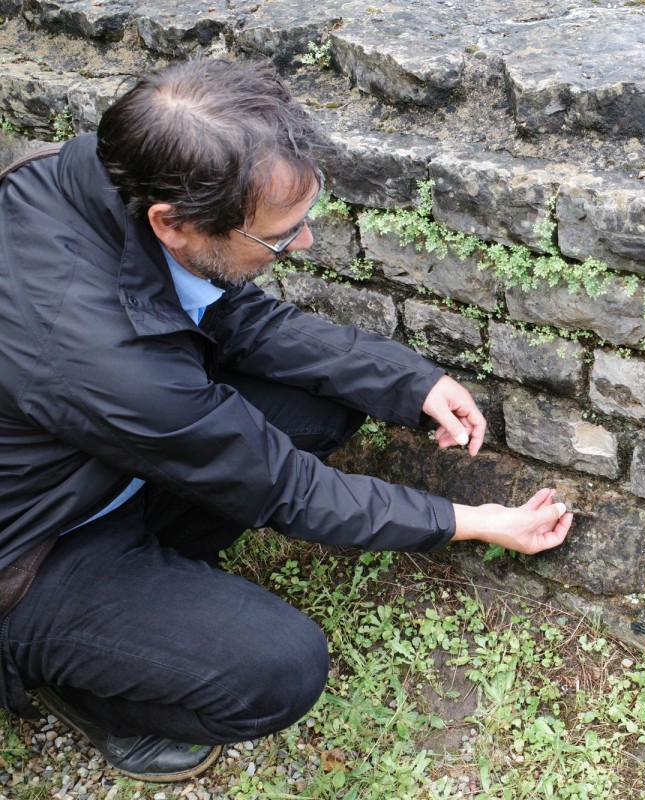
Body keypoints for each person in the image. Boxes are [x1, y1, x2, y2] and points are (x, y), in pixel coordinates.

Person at [0, 58, 572, 782]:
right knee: (279, 668)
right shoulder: (107, 361)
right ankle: (81, 684)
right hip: (33, 549)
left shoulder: (95, 177)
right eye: (279, 237)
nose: (301, 244)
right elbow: (285, 488)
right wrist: (475, 521)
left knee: (323, 398)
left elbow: (233, 315)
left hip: (89, 463)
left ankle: (153, 580)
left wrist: (409, 380)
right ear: (173, 224)